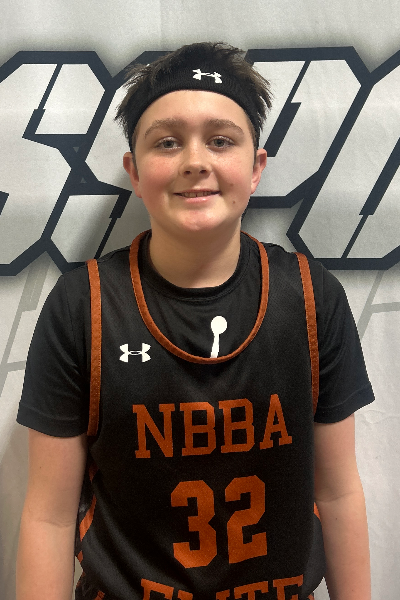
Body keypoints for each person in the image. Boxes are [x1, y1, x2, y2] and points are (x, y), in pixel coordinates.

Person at [16, 42, 374, 600]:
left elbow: (338, 493)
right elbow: (49, 516)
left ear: (256, 168)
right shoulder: (82, 306)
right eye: (167, 142)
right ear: (135, 172)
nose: (195, 161)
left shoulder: (311, 297)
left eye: (221, 140)